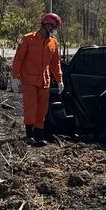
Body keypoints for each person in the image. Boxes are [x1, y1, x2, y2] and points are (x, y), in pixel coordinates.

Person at [11, 12, 64, 145]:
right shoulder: (28, 39)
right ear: (46, 25)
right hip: (29, 80)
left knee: (42, 109)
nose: (54, 31)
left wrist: (59, 80)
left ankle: (39, 135)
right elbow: (19, 59)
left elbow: (55, 63)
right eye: (53, 27)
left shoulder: (53, 43)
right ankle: (29, 135)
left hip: (44, 81)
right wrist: (15, 77)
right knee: (31, 107)